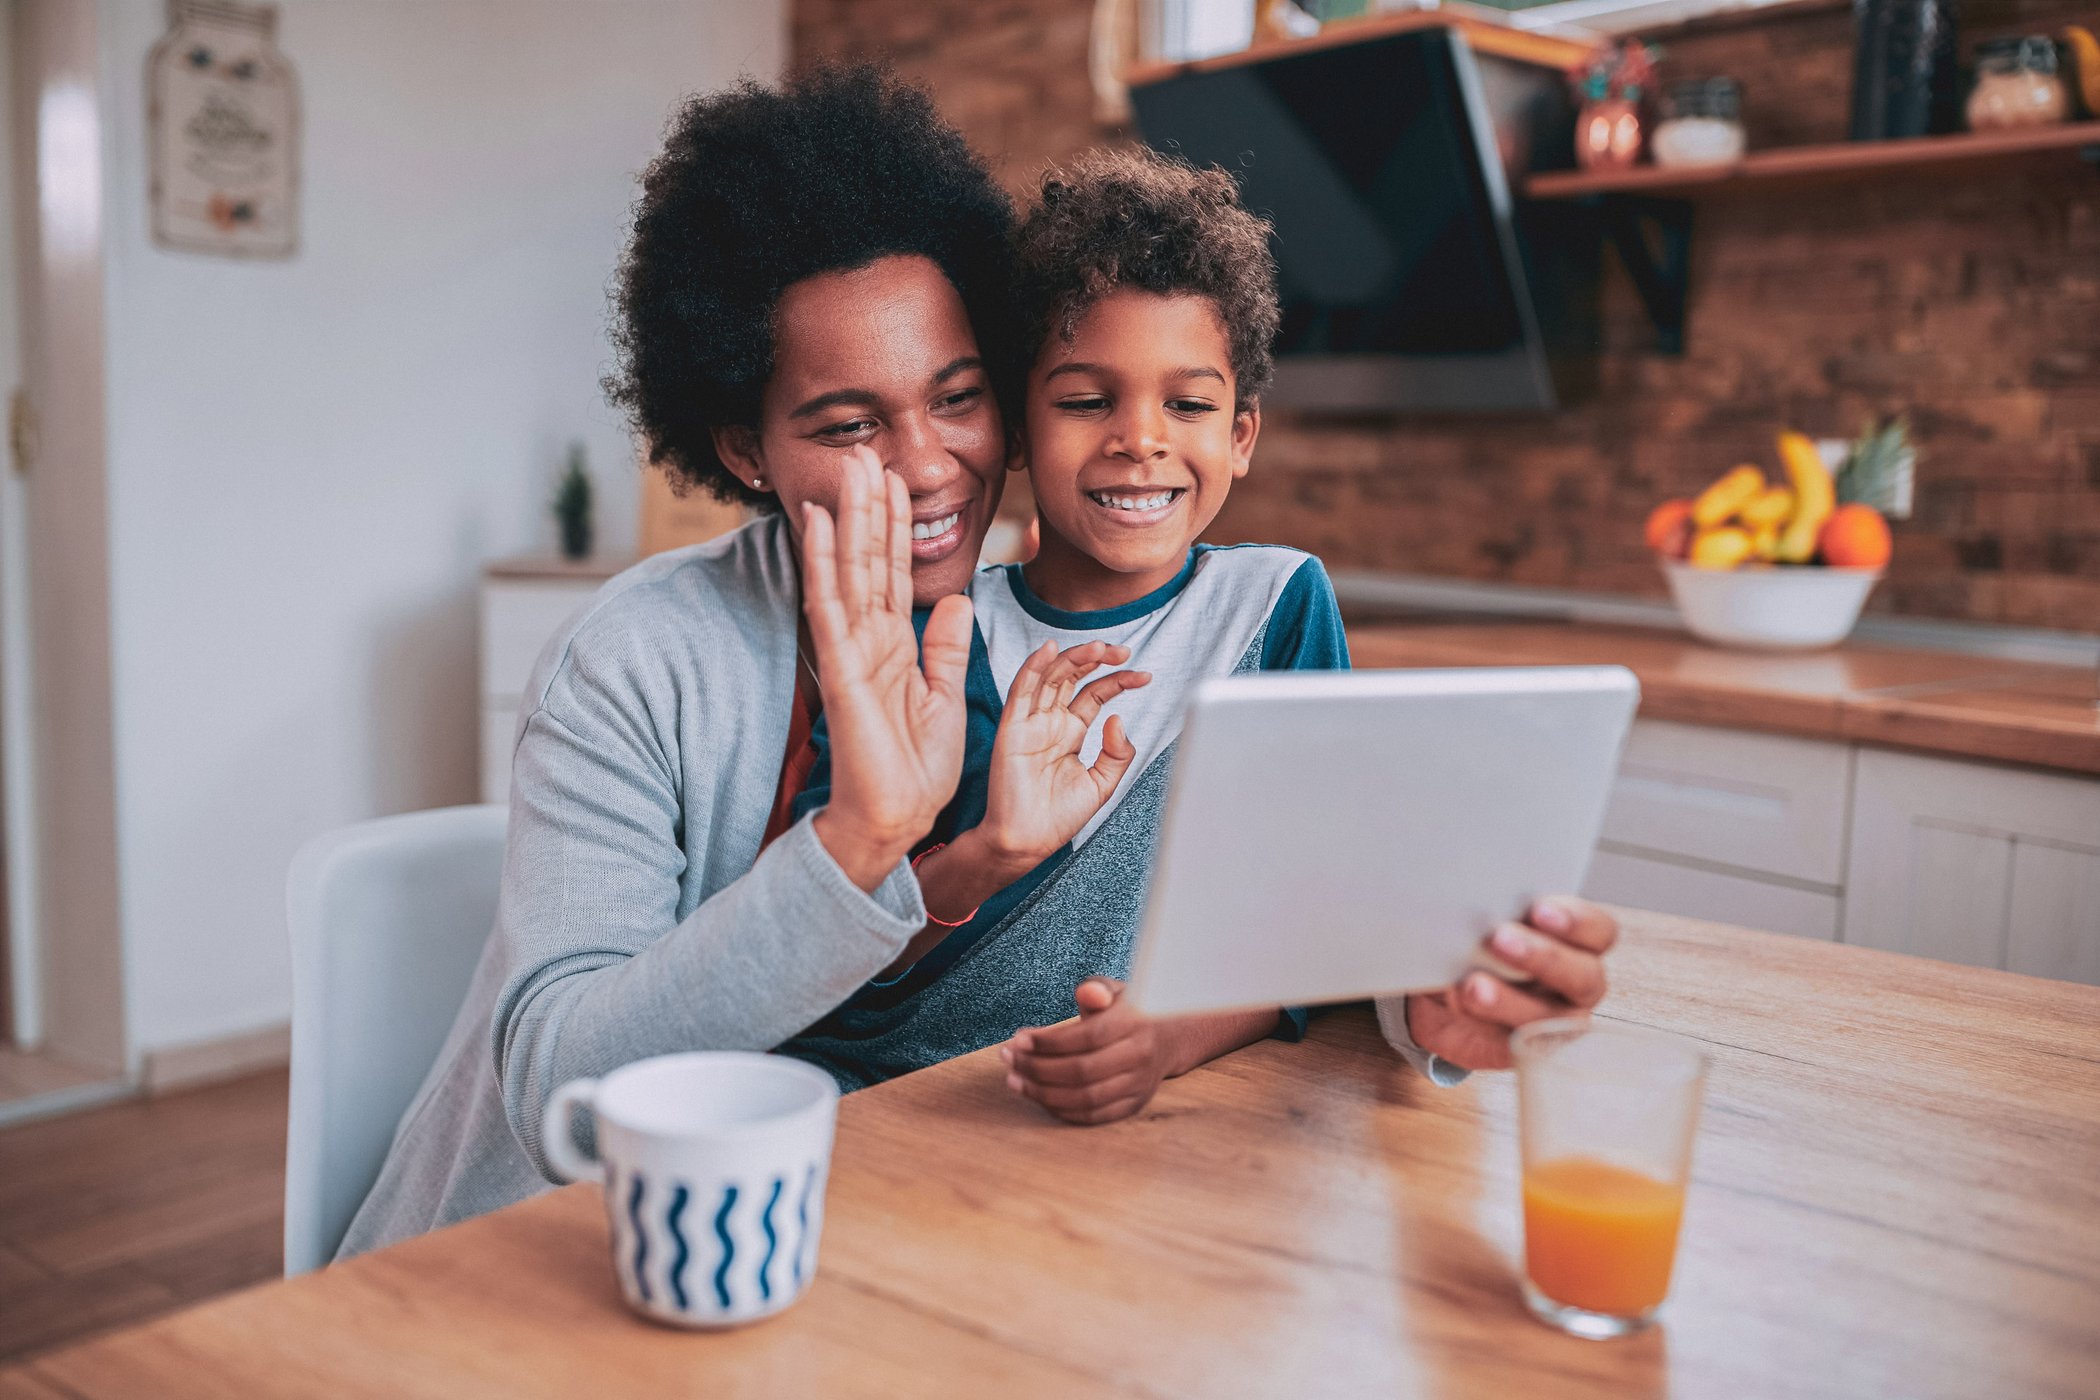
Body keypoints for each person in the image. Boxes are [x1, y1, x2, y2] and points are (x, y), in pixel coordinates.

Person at [339, 65, 1029, 1256]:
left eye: (958, 397)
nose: (927, 465)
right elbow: (560, 1087)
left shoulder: (1038, 629)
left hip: (834, 1239)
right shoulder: (631, 661)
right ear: (743, 446)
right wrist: (856, 840)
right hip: (532, 1261)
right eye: (851, 424)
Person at [785, 147, 1619, 1124]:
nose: (1141, 437)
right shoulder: (930, 636)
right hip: (897, 1100)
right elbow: (828, 951)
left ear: (1242, 435)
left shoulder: (1279, 606)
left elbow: (1315, 914)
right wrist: (988, 851)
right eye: (1087, 399)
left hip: (1160, 1117)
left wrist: (1172, 1033)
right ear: (1016, 427)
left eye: (1188, 403)